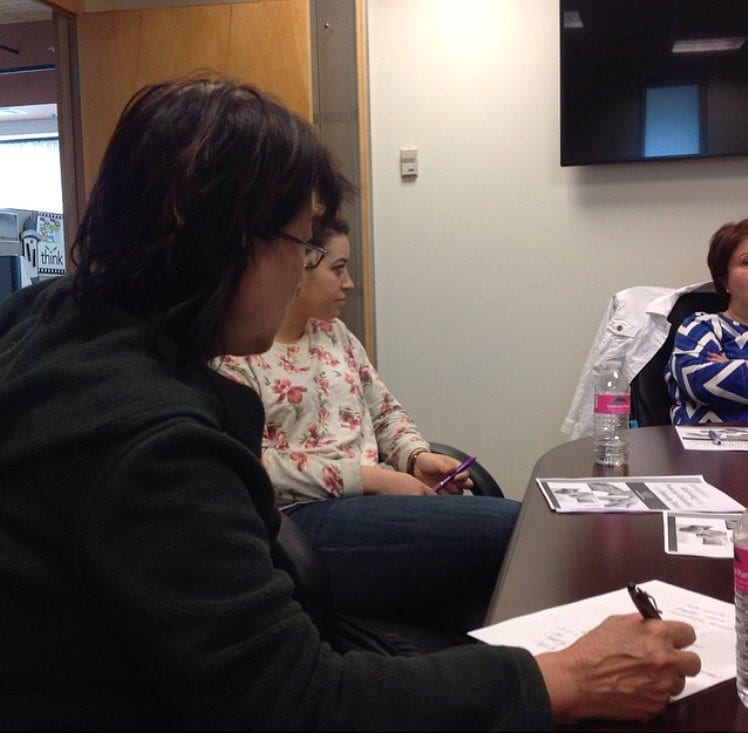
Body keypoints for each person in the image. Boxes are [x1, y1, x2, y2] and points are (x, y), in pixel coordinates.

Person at [0, 75, 700, 731]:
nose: (307, 270)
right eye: (301, 245)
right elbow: (298, 702)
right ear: (225, 237)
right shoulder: (151, 447)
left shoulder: (48, 318)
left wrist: (412, 456)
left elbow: (385, 411)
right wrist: (566, 678)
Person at [216, 215, 520, 629]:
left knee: (497, 577)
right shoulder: (237, 353)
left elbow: (385, 412)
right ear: (299, 266)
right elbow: (255, 465)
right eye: (338, 269)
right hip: (306, 519)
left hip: (374, 502)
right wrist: (372, 479)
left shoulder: (335, 334)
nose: (349, 284)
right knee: (515, 528)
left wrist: (415, 457)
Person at [668, 219, 748, 424]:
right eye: (747, 262)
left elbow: (724, 382)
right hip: (706, 443)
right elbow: (699, 382)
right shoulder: (700, 327)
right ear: (724, 279)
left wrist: (732, 368)